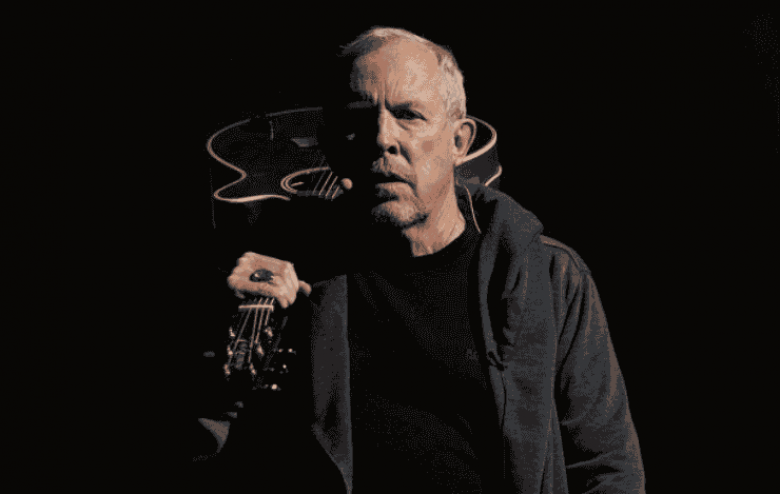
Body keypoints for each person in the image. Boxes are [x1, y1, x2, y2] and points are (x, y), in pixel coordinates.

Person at [192, 27, 646, 493]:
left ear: (459, 142)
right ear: (331, 145)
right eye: (358, 118)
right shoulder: (290, 272)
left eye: (409, 115)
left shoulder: (548, 277)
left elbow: (608, 468)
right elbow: (203, 452)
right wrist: (221, 346)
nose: (382, 138)